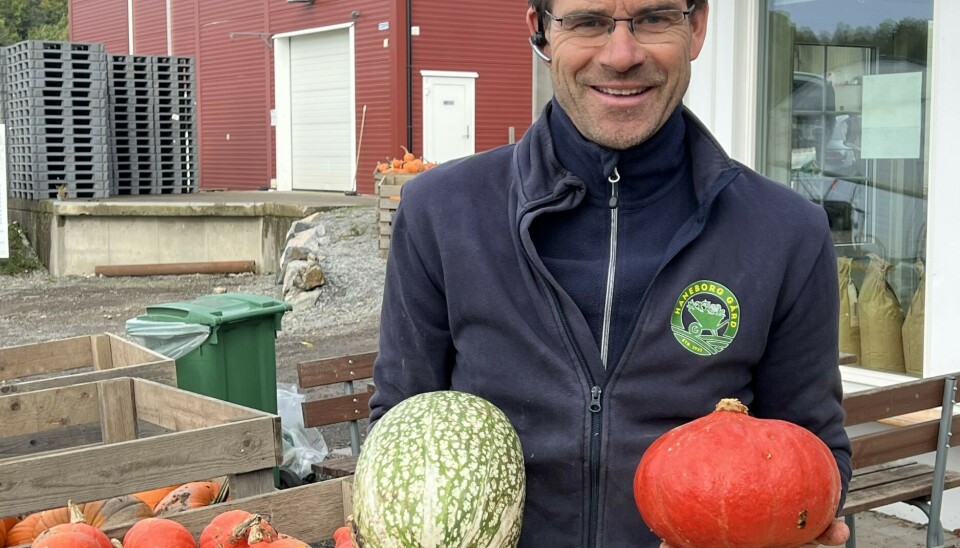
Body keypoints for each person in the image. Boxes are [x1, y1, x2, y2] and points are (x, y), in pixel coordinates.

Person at [368, 0, 853, 546]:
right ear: (541, 32)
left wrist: (800, 519)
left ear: (695, 28)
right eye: (587, 22)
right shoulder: (441, 211)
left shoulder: (786, 232)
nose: (622, 55)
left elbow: (811, 448)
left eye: (653, 18)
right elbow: (401, 428)